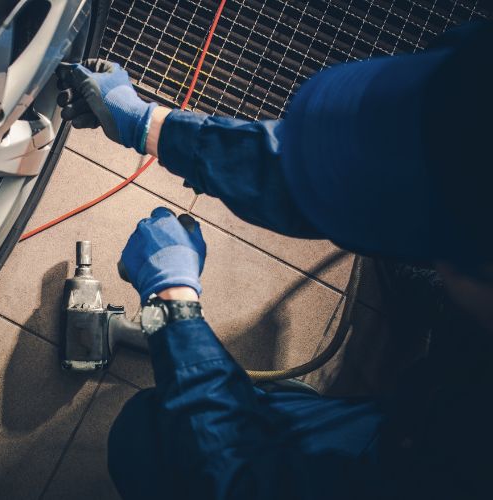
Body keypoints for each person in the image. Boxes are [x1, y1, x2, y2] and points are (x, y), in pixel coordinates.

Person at [56, 20, 493, 499]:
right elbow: (335, 172)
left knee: (147, 440)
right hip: (440, 393)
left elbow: (236, 479)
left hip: (398, 462)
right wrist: (151, 125)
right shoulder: (474, 82)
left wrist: (171, 302)